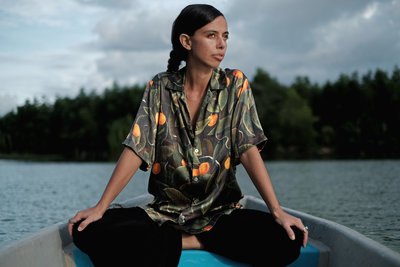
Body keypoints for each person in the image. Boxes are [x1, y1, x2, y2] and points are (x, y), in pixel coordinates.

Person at [69, 4, 308, 267]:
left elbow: (248, 150)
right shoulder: (160, 87)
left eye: (225, 36)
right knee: (86, 230)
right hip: (164, 216)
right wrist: (101, 207)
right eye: (211, 35)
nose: (221, 45)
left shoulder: (235, 84)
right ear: (186, 41)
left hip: (220, 216)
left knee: (290, 238)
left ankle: (184, 241)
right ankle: (177, 239)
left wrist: (277, 211)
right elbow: (137, 149)